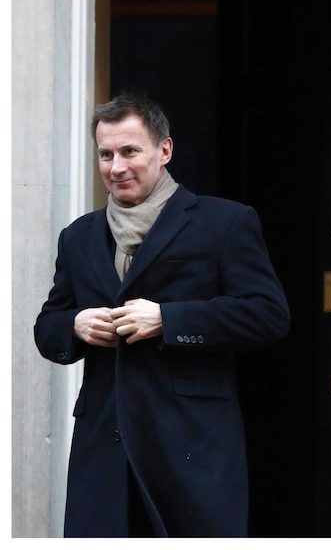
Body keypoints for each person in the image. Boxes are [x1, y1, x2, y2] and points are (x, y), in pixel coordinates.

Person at [33, 92, 291, 537]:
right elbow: (48, 326)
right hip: (104, 449)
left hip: (191, 448)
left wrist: (169, 320)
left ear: (164, 150)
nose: (116, 167)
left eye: (130, 151)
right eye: (106, 154)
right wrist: (74, 326)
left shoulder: (225, 222)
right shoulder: (78, 237)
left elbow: (268, 313)